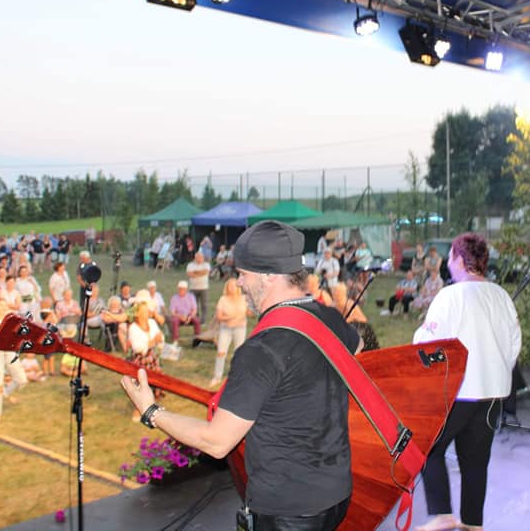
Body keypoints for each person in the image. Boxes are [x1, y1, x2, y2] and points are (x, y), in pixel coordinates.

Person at [121, 220, 360, 530]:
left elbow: (216, 442)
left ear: (269, 275)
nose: (239, 282)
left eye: (243, 273)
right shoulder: (328, 317)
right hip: (338, 493)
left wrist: (151, 411)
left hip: (288, 511)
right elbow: (358, 348)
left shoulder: (262, 350)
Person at [413, 233, 521, 531]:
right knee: (475, 461)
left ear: (460, 260)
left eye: (450, 257)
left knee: (427, 447)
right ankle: (473, 523)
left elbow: (427, 342)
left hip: (459, 390)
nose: (448, 263)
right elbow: (514, 343)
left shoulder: (451, 296)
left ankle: (442, 513)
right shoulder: (501, 295)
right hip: (493, 391)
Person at [126, 293, 165, 420]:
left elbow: (160, 338)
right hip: (139, 360)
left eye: (146, 310)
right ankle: (138, 410)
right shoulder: (133, 328)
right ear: (137, 313)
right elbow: (138, 348)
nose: (146, 313)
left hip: (152, 357)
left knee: (157, 378)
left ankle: (152, 406)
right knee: (142, 383)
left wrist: (158, 340)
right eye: (143, 311)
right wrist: (153, 342)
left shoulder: (152, 323)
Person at [210, 278, 250, 388]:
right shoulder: (223, 299)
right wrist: (230, 317)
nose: (232, 288)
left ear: (238, 287)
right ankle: (217, 377)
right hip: (225, 329)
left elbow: (250, 313)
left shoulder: (244, 298)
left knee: (238, 353)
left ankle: (236, 377)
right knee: (221, 352)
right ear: (227, 287)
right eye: (230, 286)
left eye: (234, 286)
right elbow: (219, 317)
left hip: (240, 329)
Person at [186, 251, 212, 327]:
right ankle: (196, 320)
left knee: (204, 305)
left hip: (204, 288)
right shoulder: (190, 265)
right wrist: (200, 273)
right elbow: (190, 274)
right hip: (193, 288)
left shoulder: (206, 265)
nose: (199, 259)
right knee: (194, 305)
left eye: (200, 257)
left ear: (203, 258)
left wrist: (195, 273)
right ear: (195, 258)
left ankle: (203, 321)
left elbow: (206, 272)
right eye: (197, 257)